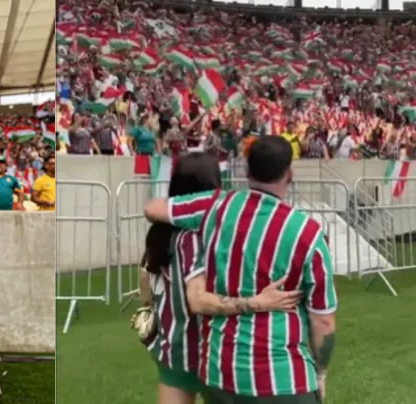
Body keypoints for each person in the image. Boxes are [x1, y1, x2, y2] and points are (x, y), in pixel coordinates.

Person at [143, 136, 337, 403]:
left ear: (246, 171)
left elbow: (152, 208)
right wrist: (321, 373)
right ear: (289, 174)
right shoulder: (307, 233)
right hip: (282, 376)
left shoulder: (215, 205)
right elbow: (323, 320)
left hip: (221, 374)